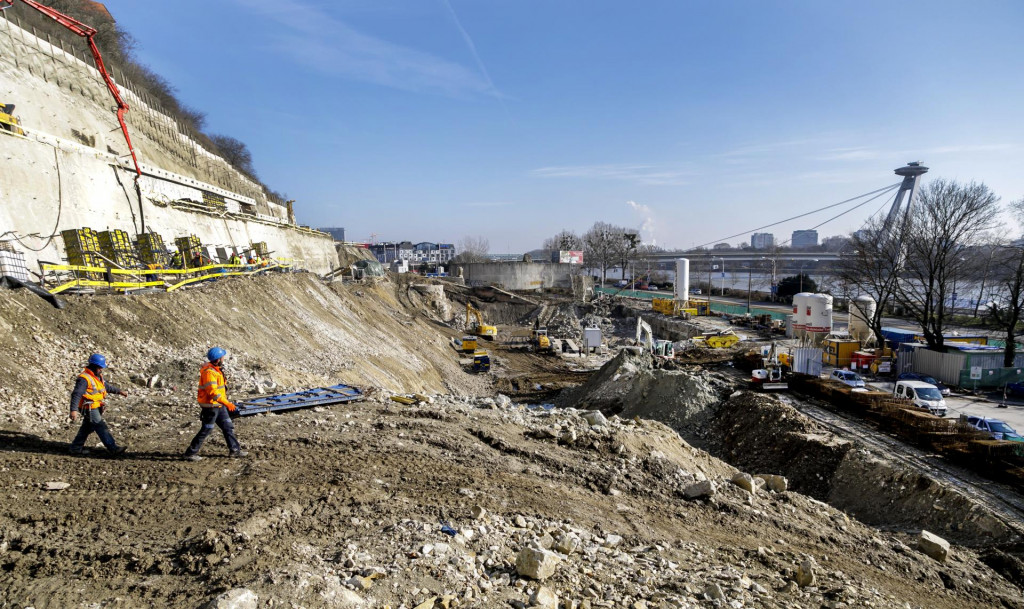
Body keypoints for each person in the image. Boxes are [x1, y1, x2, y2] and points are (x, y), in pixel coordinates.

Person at [183, 347, 247, 461]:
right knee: (207, 428)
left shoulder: (216, 369)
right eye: (222, 357)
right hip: (211, 406)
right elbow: (213, 392)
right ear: (218, 359)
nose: (224, 359)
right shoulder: (209, 373)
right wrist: (227, 403)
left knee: (228, 426)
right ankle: (190, 453)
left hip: (219, 405)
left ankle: (235, 450)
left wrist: (224, 403)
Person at [69, 353, 128, 456]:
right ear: (94, 366)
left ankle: (75, 448)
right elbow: (77, 394)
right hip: (89, 407)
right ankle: (113, 448)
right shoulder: (84, 378)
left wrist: (119, 391)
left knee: (87, 427)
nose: (102, 369)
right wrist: (73, 410)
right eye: (100, 367)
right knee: (100, 426)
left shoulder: (97, 376)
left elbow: (105, 387)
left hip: (96, 406)